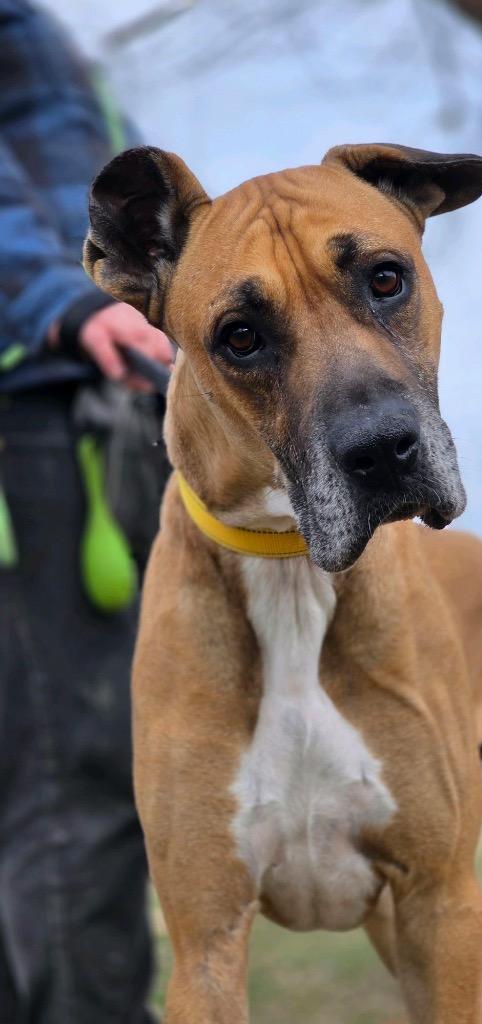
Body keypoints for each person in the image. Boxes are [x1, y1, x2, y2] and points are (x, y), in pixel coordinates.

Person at [0, 2, 173, 1021]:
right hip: (39, 412)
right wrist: (54, 299)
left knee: (43, 781)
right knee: (78, 772)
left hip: (65, 400)